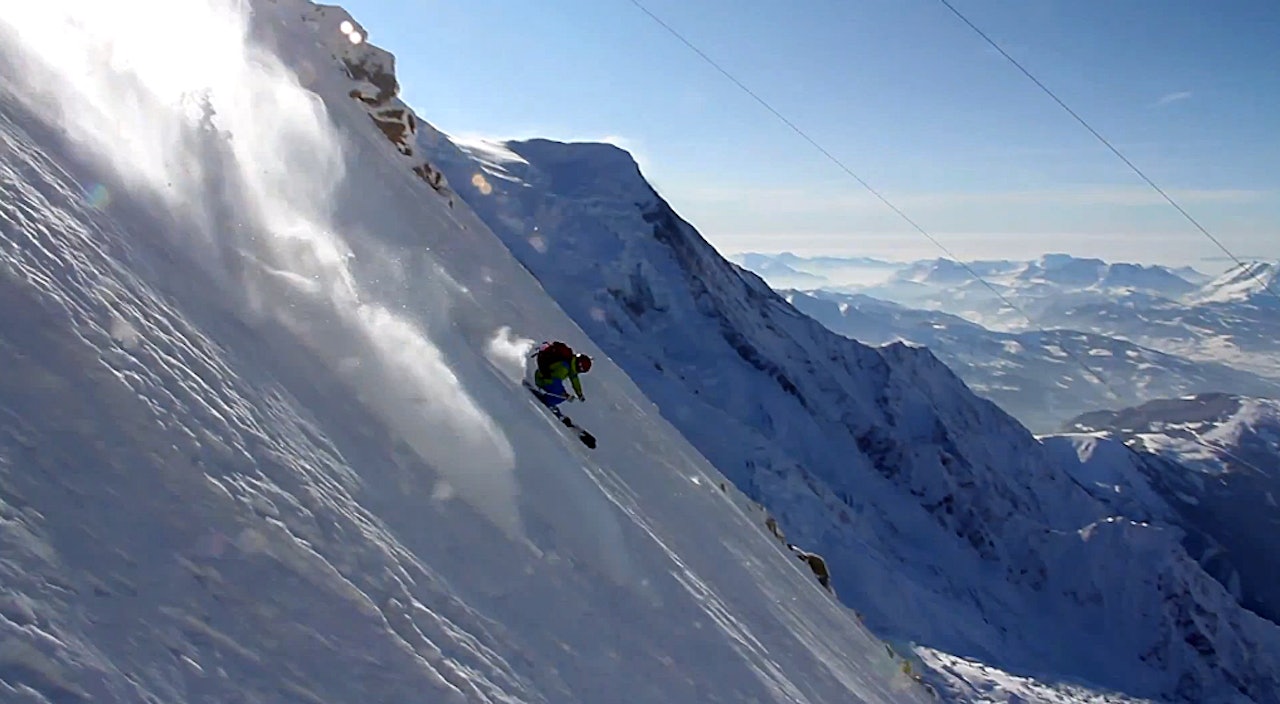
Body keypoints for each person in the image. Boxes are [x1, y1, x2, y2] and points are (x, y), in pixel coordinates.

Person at [530, 341, 592, 410]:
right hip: (542, 380)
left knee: (561, 395)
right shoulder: (564, 368)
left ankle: (549, 399)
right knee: (560, 397)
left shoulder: (570, 364)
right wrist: (564, 395)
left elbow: (574, 379)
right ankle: (547, 401)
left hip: (543, 377)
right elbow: (555, 381)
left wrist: (579, 394)